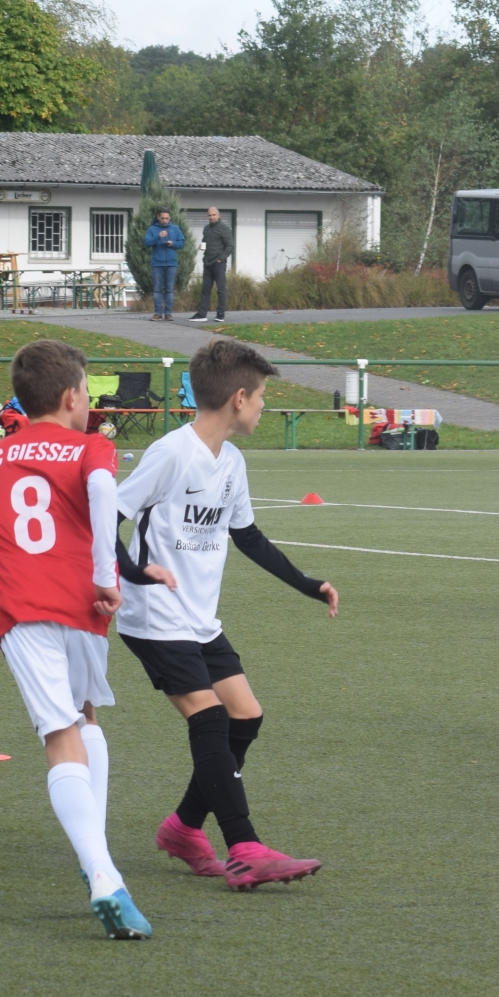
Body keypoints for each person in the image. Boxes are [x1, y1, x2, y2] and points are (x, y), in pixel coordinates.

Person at [116, 338, 339, 889]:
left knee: (246, 716)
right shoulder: (171, 453)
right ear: (239, 398)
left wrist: (309, 585)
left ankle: (184, 827)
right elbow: (107, 518)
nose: (263, 405)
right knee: (211, 717)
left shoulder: (233, 462)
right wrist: (136, 575)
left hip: (198, 618)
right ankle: (244, 847)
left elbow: (248, 537)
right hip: (154, 616)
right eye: (261, 396)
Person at [0, 339, 163, 938]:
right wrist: (108, 577)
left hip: (20, 605)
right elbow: (105, 496)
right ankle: (101, 870)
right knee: (84, 719)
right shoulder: (91, 446)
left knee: (63, 733)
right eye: (87, 392)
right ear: (69, 397)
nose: (90, 402)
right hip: (81, 602)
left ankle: (99, 868)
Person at [190, 208, 234, 323]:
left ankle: (220, 314)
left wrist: (221, 258)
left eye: (214, 215)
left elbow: (230, 245)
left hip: (219, 264)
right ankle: (202, 314)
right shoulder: (206, 229)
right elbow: (205, 242)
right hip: (208, 263)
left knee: (221, 289)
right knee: (205, 289)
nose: (212, 217)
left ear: (219, 215)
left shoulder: (224, 228)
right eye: (210, 215)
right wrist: (202, 247)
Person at [143, 208, 184, 321]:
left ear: (169, 218)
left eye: (167, 218)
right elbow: (146, 243)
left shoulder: (175, 228)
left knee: (169, 289)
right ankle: (158, 313)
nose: (165, 221)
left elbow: (182, 243)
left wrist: (173, 244)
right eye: (162, 218)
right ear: (158, 217)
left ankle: (168, 313)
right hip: (157, 263)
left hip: (171, 263)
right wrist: (158, 237)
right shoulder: (152, 229)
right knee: (157, 289)